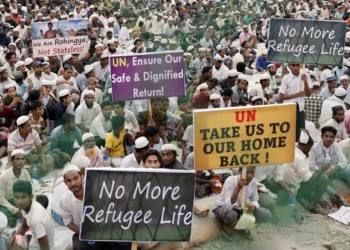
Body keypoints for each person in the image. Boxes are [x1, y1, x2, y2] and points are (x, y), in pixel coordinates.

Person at [213, 166, 272, 237]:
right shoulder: (230, 180)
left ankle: (242, 226)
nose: (250, 175)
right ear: (239, 171)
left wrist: (253, 206)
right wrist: (238, 187)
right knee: (231, 216)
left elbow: (255, 199)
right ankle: (228, 225)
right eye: (247, 172)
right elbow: (229, 204)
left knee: (266, 214)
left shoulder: (253, 182)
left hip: (242, 209)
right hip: (225, 207)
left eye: (252, 172)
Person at [282, 131, 329, 214]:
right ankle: (314, 203)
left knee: (315, 174)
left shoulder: (291, 149)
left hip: (285, 184)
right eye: (309, 148)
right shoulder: (299, 158)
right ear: (306, 146)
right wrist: (321, 169)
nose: (309, 151)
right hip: (294, 188)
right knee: (323, 178)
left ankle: (312, 199)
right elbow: (309, 180)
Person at [13, 180, 54, 250]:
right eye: (17, 197)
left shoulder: (36, 219)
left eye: (23, 197)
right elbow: (25, 226)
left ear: (31, 197)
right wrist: (14, 238)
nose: (20, 201)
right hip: (34, 241)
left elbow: (45, 248)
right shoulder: (25, 207)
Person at [51, 155, 90, 226]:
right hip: (62, 217)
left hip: (53, 211)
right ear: (82, 170)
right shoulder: (79, 182)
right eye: (89, 167)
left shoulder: (62, 175)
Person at [279, 63, 312, 141]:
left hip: (300, 108)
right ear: (289, 67)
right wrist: (297, 95)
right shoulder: (286, 78)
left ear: (300, 66)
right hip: (288, 108)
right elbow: (281, 96)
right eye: (293, 65)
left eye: (297, 65)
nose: (295, 68)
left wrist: (306, 82)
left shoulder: (306, 76)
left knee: (301, 132)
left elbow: (308, 94)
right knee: (289, 131)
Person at [0, 150, 31, 227]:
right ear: (12, 161)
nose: (20, 161)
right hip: (7, 202)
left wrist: (32, 204)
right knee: (10, 220)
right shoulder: (4, 176)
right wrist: (14, 210)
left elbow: (31, 190)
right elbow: (1, 197)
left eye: (22, 159)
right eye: (17, 159)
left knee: (43, 200)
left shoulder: (25, 173)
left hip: (22, 199)